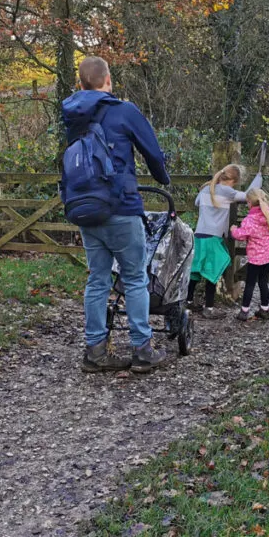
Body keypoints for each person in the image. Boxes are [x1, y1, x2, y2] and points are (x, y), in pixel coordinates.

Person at [61, 56, 171, 374]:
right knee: (135, 278)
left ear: (81, 84)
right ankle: (142, 350)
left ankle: (95, 351)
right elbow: (152, 151)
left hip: (85, 208)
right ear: (108, 80)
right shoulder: (124, 111)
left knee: (97, 279)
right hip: (121, 207)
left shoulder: (73, 115)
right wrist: (162, 178)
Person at [187, 164, 262, 318]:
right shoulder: (227, 191)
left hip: (199, 235)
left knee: (195, 270)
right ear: (232, 180)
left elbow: (196, 203)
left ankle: (187, 302)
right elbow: (248, 195)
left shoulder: (206, 188)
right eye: (235, 183)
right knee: (211, 271)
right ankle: (208, 308)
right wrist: (259, 177)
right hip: (213, 236)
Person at [230, 188, 269, 321]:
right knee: (263, 282)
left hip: (256, 258)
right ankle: (265, 310)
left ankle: (244, 312)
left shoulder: (249, 220)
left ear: (250, 202)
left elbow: (240, 235)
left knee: (250, 284)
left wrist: (234, 229)